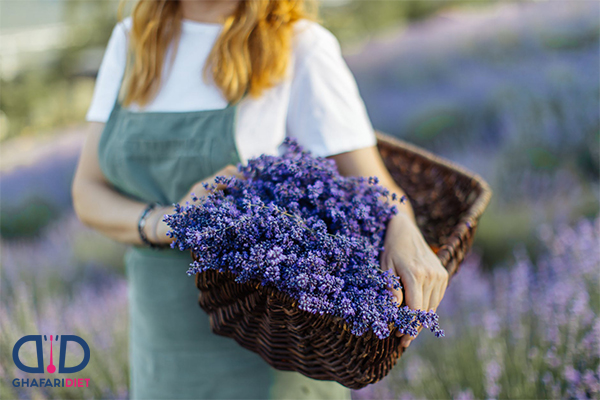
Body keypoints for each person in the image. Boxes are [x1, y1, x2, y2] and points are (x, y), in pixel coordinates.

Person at [71, 0, 449, 399]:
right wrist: (168, 222)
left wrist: (405, 231)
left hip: (271, 359)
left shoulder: (299, 44)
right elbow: (87, 190)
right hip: (161, 349)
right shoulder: (133, 39)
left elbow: (375, 192)